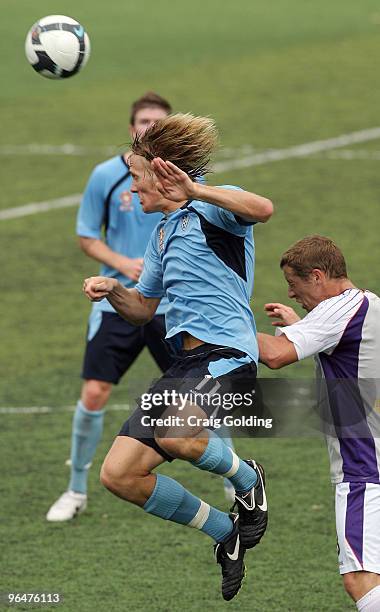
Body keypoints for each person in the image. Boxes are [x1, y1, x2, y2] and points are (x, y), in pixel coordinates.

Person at [83, 113, 273, 600]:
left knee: (177, 431)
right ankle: (223, 534)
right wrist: (112, 290)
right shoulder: (162, 234)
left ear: (164, 173)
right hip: (185, 366)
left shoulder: (213, 208)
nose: (131, 187)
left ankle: (249, 479)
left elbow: (263, 208)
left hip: (227, 355)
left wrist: (198, 192)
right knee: (119, 475)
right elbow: (143, 310)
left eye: (136, 175)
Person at [47, 92, 174, 522]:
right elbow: (87, 235)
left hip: (171, 306)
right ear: (131, 127)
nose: (150, 129)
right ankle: (77, 489)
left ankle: (237, 483)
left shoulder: (180, 179)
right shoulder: (106, 175)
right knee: (95, 392)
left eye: (159, 122)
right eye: (143, 121)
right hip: (113, 303)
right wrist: (123, 265)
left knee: (199, 397)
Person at [257, 235, 380, 612]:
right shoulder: (367, 302)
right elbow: (336, 343)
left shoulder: (339, 312)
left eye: (294, 286)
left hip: (364, 469)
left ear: (316, 276)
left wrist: (217, 323)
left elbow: (276, 355)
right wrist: (301, 324)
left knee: (360, 578)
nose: (292, 295)